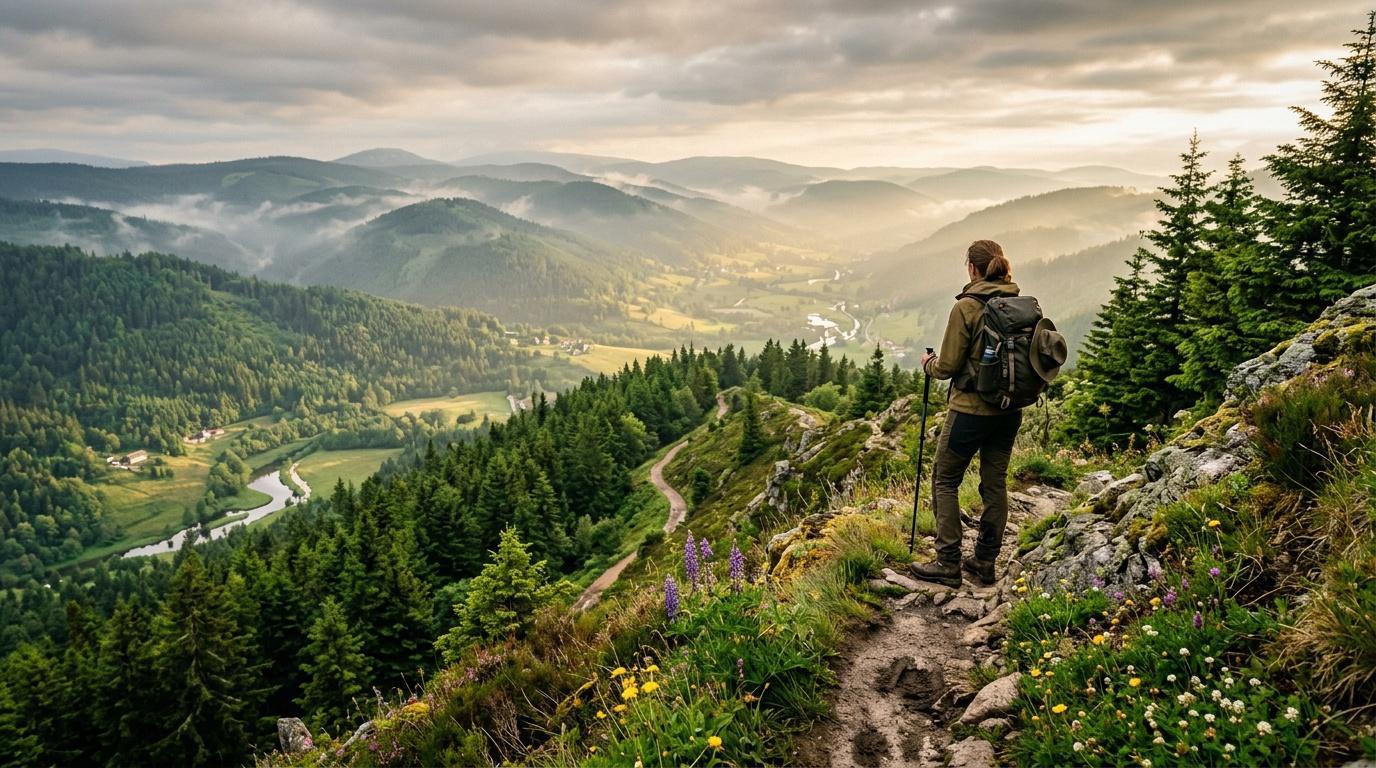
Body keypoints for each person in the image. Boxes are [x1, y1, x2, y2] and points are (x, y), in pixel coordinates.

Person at [911, 239, 1023, 588]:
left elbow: (947, 366)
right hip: (1009, 410)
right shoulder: (1019, 303)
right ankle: (985, 562)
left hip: (970, 412)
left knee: (945, 479)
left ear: (972, 269)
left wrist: (928, 365)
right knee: (995, 483)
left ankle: (948, 562)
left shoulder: (967, 308)